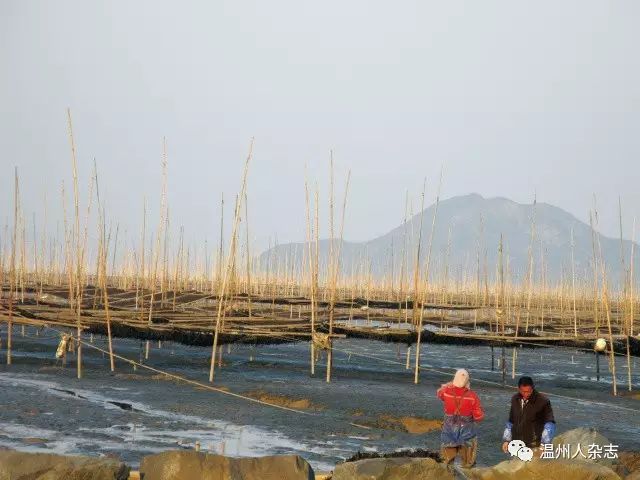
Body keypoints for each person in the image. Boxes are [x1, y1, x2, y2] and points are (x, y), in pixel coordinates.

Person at [437, 368, 485, 468]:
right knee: (468, 465)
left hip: (449, 431)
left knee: (446, 463)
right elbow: (479, 417)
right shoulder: (472, 396)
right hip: (467, 433)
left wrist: (449, 385)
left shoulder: (446, 392)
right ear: (468, 381)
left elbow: (439, 394)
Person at [502, 376, 556, 455]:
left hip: (535, 445)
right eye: (523, 391)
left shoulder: (543, 401)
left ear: (532, 388)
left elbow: (550, 423)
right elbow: (511, 421)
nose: (526, 394)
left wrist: (544, 443)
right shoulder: (515, 399)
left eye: (529, 391)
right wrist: (506, 440)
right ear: (519, 389)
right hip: (517, 444)